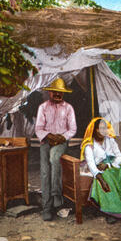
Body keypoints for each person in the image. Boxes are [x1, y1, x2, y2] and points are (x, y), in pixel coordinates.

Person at [35, 78, 77, 221]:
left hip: (61, 142)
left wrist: (62, 137)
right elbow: (39, 128)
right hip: (46, 141)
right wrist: (49, 136)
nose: (58, 95)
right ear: (50, 92)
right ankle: (47, 208)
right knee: (45, 173)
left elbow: (72, 129)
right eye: (55, 92)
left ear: (63, 94)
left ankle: (56, 197)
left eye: (61, 93)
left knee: (54, 158)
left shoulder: (69, 108)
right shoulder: (43, 107)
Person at [81, 117, 121, 223]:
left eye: (105, 128)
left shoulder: (110, 140)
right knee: (107, 179)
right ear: (94, 130)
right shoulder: (89, 145)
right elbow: (92, 165)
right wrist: (100, 178)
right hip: (98, 169)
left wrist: (109, 165)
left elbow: (120, 157)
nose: (102, 131)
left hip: (111, 166)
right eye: (99, 128)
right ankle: (112, 212)